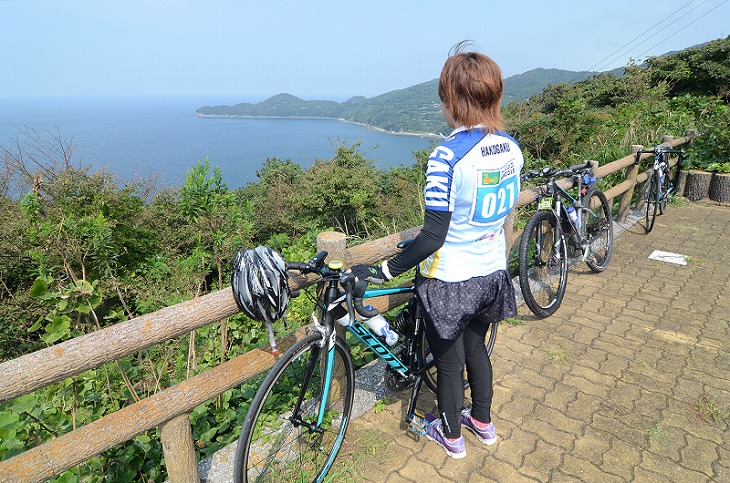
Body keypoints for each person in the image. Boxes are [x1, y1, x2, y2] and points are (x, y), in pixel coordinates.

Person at [349, 41, 523, 459]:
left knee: (449, 362)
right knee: (476, 348)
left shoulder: (446, 156)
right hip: (491, 271)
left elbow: (433, 236)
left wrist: (385, 271)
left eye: (444, 97)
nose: (441, 105)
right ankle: (482, 421)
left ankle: (451, 436)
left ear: (454, 101)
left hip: (450, 280)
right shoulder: (511, 148)